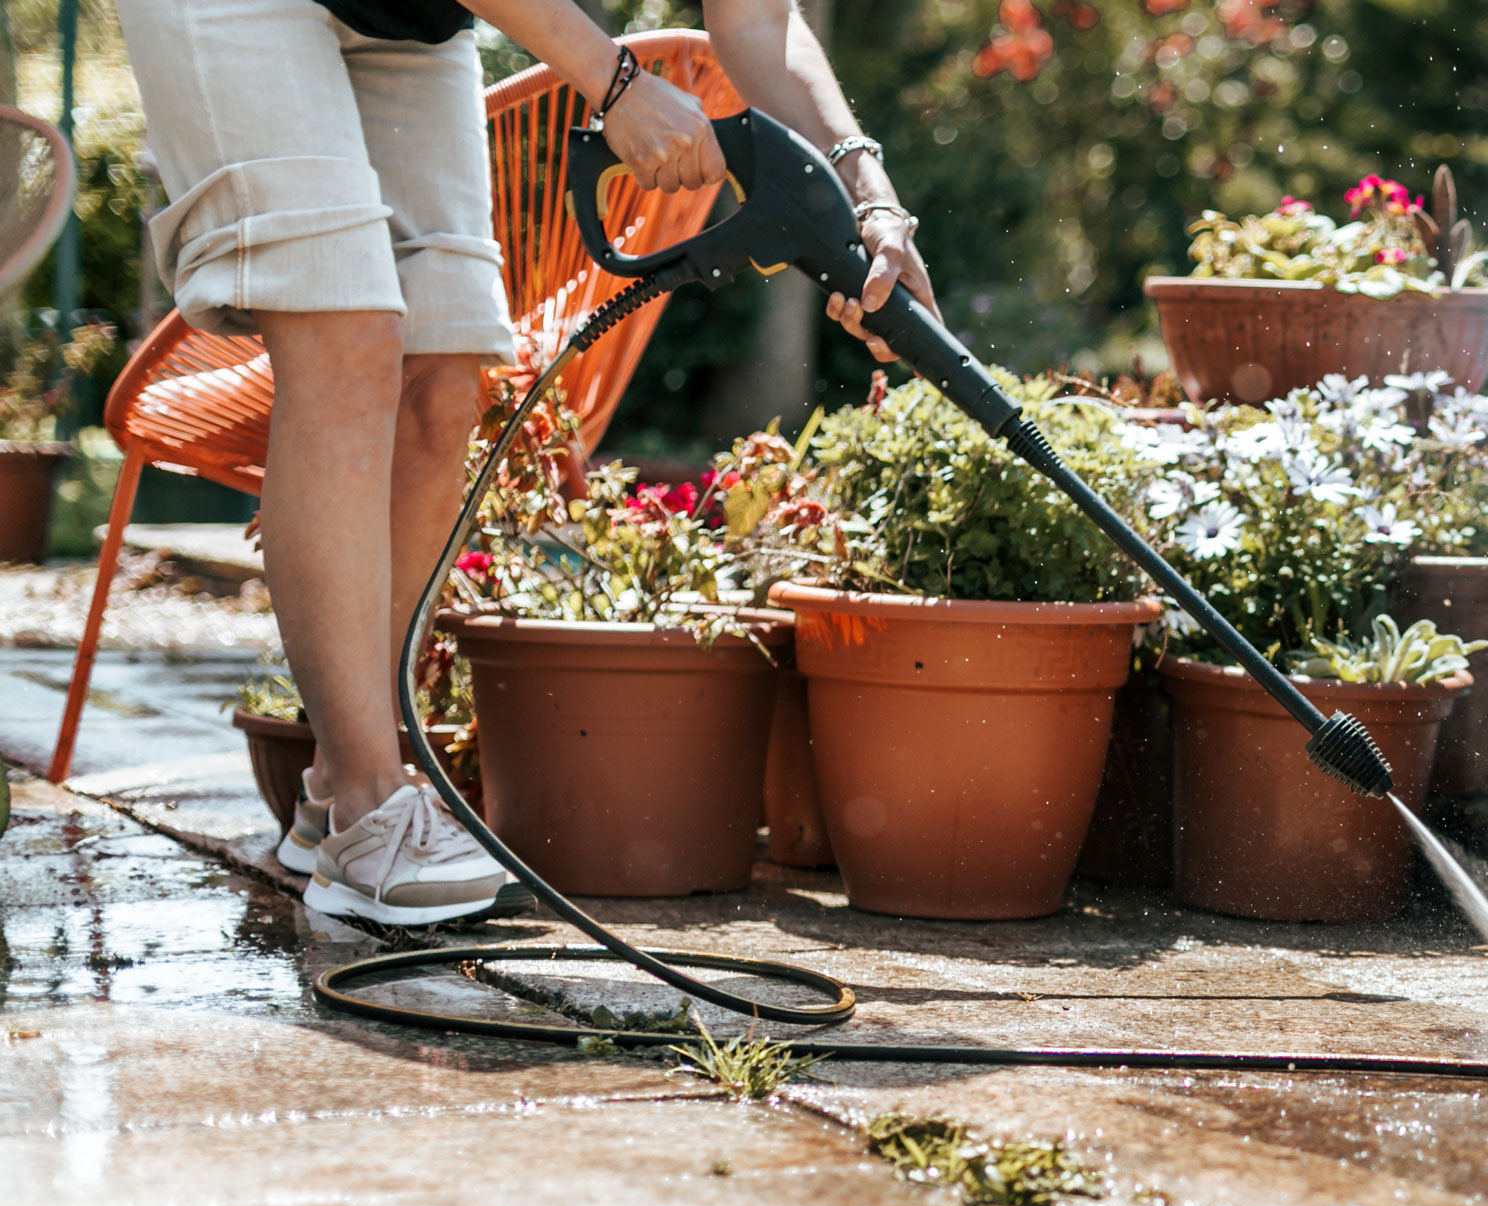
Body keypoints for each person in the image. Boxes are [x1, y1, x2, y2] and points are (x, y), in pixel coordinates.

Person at [112, 0, 938, 925]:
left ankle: (343, 777)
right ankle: (368, 810)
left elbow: (761, 22)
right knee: (347, 338)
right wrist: (615, 82)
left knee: (442, 379)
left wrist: (866, 193)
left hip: (405, 19)